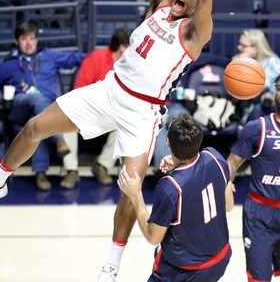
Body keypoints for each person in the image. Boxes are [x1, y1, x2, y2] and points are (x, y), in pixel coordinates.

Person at [0, 0, 237, 282]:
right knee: (35, 127)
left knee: (129, 187)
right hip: (108, 90)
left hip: (143, 111)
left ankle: (111, 265)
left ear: (195, 4)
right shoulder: (158, 5)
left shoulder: (193, 33)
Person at [118, 113, 234, 282]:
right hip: (220, 260)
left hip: (186, 273)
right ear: (199, 139)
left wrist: (136, 195)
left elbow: (153, 237)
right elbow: (228, 205)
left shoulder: (170, 187)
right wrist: (181, 164)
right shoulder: (215, 157)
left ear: (167, 142)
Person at [0, 21, 86, 190]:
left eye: (32, 38)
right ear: (17, 41)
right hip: (19, 107)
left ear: (37, 40)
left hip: (45, 110)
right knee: (36, 100)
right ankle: (58, 140)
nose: (28, 43)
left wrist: (107, 60)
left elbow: (82, 59)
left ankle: (40, 173)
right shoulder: (7, 64)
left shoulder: (49, 56)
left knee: (37, 121)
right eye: (24, 39)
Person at [61, 27, 132, 189]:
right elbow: (79, 89)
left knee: (126, 123)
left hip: (112, 113)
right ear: (122, 47)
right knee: (66, 122)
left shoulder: (129, 65)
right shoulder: (96, 58)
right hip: (87, 110)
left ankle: (102, 166)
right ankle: (71, 170)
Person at [227, 74, 280, 282]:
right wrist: (226, 183)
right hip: (260, 215)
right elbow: (232, 163)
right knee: (258, 278)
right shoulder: (257, 128)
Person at [233, 29, 280, 123]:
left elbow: (276, 90)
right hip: (242, 108)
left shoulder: (272, 62)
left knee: (258, 109)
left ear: (256, 47)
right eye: (239, 44)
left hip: (266, 108)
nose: (239, 48)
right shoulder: (237, 60)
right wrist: (241, 66)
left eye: (244, 46)